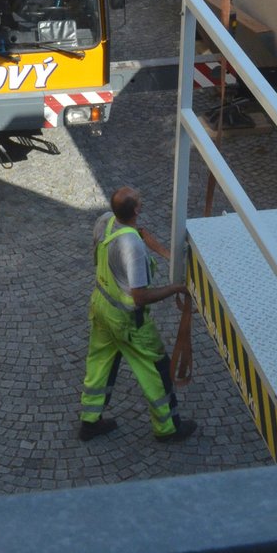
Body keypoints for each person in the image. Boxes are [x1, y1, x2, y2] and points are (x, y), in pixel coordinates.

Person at [78, 186, 197, 443]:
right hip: (128, 322)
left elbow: (138, 234)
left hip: (101, 307)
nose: (142, 200)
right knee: (157, 370)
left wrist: (167, 254)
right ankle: (168, 429)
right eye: (140, 199)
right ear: (136, 209)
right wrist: (177, 288)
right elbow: (140, 297)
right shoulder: (132, 248)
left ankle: (89, 421)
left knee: (100, 364)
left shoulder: (105, 221)